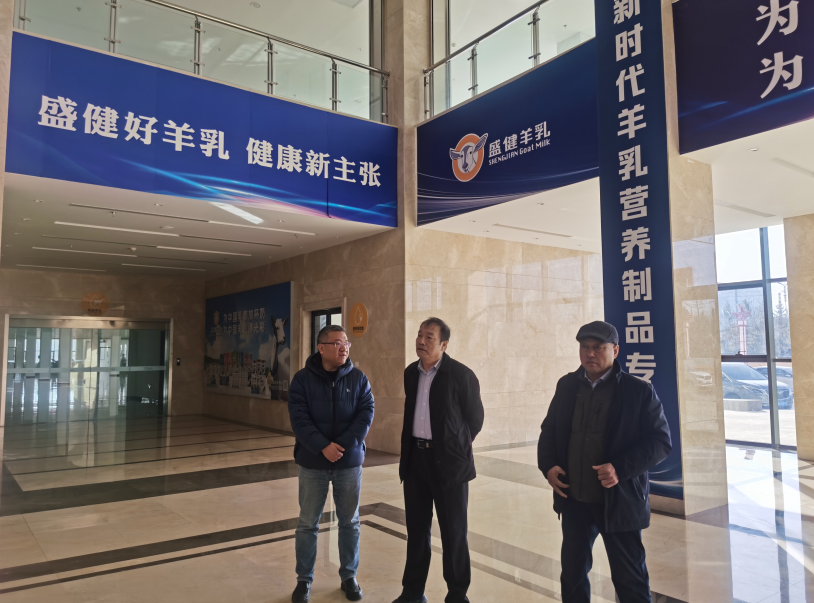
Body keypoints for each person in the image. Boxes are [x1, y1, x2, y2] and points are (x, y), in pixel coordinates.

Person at [537, 320, 672, 603]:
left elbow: (660, 442)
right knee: (573, 575)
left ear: (615, 350)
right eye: (584, 347)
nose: (590, 354)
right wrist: (547, 465)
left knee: (630, 578)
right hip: (574, 498)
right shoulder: (567, 385)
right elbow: (549, 430)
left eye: (598, 347)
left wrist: (620, 468)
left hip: (619, 501)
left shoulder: (638, 391)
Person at [393, 317, 484, 603]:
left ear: (444, 345)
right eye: (419, 335)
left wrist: (454, 446)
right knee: (417, 530)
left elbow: (475, 419)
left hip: (450, 465)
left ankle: (457, 595)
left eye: (429, 337)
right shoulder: (411, 373)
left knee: (453, 533)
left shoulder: (461, 375)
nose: (421, 341)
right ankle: (412, 592)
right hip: (415, 461)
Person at [288, 325, 375, 603]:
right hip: (312, 462)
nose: (344, 347)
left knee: (350, 522)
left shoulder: (358, 379)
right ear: (321, 347)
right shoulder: (302, 380)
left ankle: (349, 576)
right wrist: (322, 447)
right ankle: (304, 580)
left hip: (348, 463)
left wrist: (343, 446)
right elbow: (299, 419)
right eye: (337, 343)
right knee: (307, 523)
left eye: (346, 342)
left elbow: (366, 413)